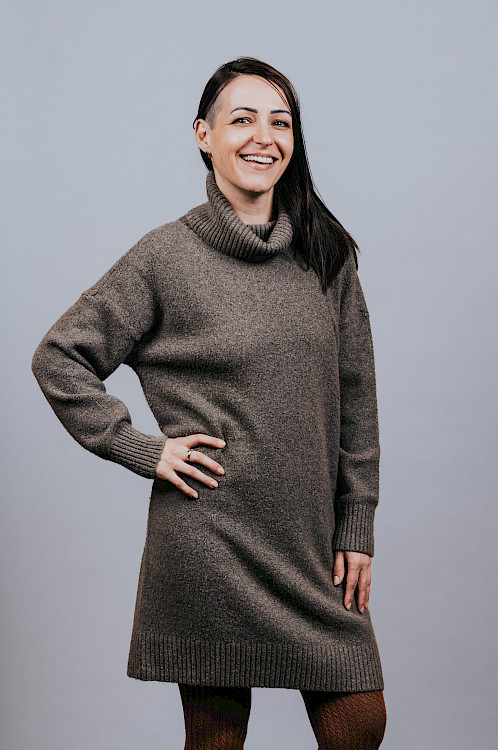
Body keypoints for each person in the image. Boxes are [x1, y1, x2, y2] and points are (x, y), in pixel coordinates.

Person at [31, 57, 387, 749]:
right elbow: (60, 357)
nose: (264, 137)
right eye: (242, 119)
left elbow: (358, 402)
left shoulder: (327, 255)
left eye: (280, 122)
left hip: (311, 543)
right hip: (209, 543)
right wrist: (144, 449)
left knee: (359, 727)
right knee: (217, 742)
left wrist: (357, 523)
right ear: (204, 135)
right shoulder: (165, 257)